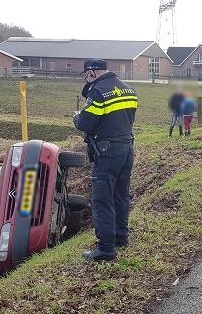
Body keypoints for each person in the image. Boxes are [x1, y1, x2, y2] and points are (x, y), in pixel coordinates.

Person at [73, 59, 137, 261]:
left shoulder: (98, 92)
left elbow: (86, 123)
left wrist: (77, 117)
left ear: (91, 72)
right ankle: (121, 238)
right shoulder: (128, 90)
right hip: (127, 149)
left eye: (86, 74)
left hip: (107, 152)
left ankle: (106, 250)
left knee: (102, 201)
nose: (86, 78)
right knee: (121, 196)